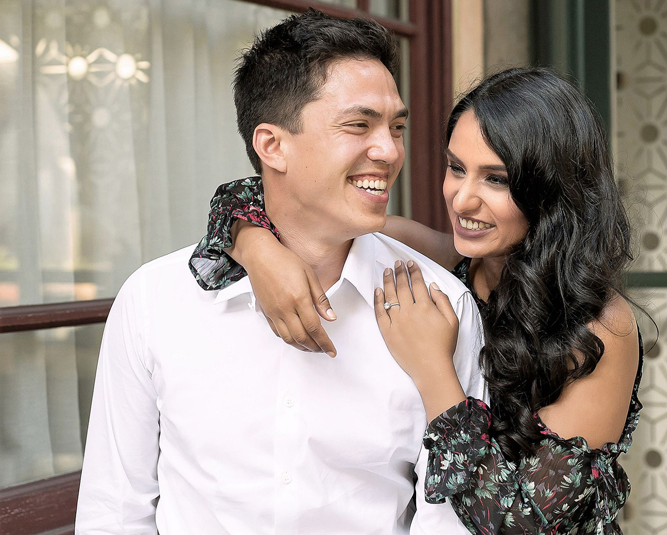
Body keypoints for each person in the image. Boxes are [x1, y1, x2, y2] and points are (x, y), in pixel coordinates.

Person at [75, 10, 485, 534]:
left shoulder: (440, 305)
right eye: (358, 125)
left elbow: (445, 521)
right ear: (272, 146)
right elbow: (114, 511)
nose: (389, 151)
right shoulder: (155, 301)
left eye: (396, 127)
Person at [191, 66, 644, 533]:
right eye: (456, 168)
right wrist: (258, 249)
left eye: (496, 179)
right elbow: (280, 202)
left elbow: (522, 526)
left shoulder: (598, 325)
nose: (463, 200)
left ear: (552, 189)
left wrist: (434, 371)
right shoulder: (440, 262)